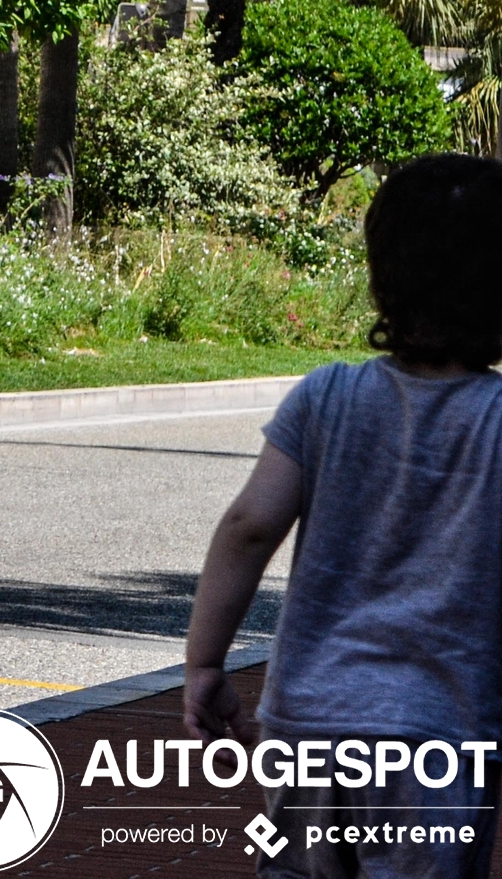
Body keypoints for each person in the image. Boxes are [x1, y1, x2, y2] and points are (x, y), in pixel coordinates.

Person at [183, 153, 502, 877]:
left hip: (310, 723)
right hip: (438, 740)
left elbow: (249, 527)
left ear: (381, 276)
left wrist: (205, 661)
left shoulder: (324, 396)